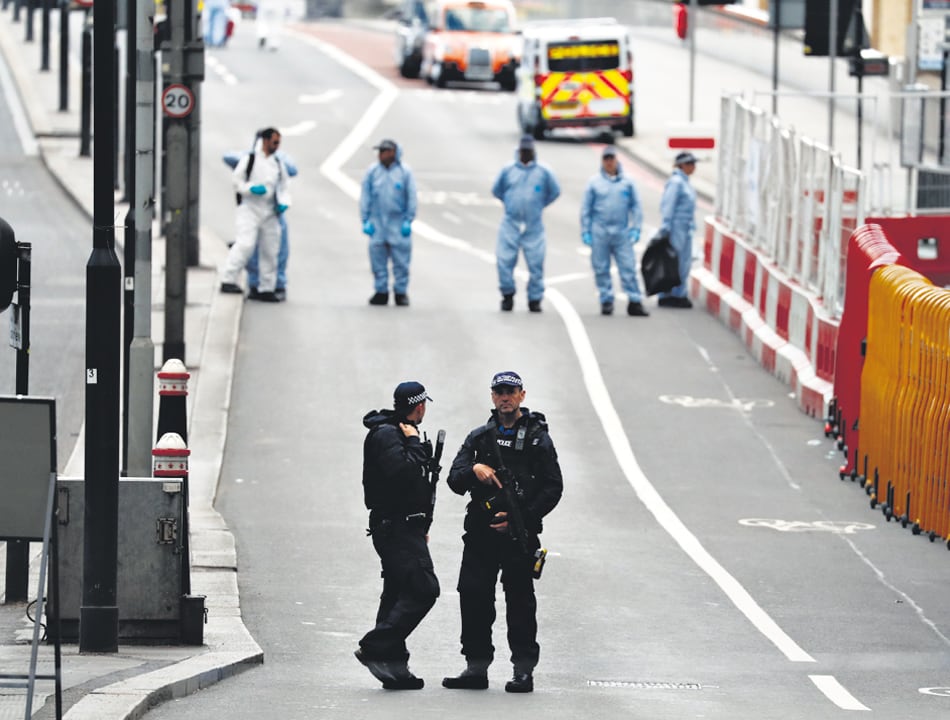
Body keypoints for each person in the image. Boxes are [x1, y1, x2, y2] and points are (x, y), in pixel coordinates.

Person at [443, 371, 563, 693]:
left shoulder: (538, 439)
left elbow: (553, 487)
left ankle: (523, 670)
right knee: (473, 595)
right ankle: (476, 667)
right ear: (492, 396)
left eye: (510, 392)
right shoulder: (480, 437)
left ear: (522, 395)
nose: (505, 397)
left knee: (520, 602)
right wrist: (474, 470)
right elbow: (454, 480)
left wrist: (520, 518)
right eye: (499, 392)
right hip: (481, 535)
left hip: (517, 535)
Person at [355, 381, 440, 690]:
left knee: (396, 593)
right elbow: (403, 474)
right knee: (424, 588)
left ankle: (394, 665)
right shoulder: (390, 435)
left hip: (405, 525)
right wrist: (416, 445)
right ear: (419, 406)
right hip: (395, 526)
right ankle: (376, 646)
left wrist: (422, 524)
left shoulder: (398, 432)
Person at [219, 128, 291, 302]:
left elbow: (284, 187)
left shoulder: (278, 163)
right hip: (250, 208)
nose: (277, 146)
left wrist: (283, 203)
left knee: (271, 249)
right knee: (245, 244)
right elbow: (237, 182)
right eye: (274, 142)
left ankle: (266, 287)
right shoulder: (249, 159)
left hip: (270, 211)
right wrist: (250, 189)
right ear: (265, 141)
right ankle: (228, 278)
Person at [491, 135, 560, 313]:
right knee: (503, 260)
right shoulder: (508, 170)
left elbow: (554, 192)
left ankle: (535, 299)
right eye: (524, 151)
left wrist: (538, 206)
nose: (526, 155)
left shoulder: (543, 172)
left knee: (536, 263)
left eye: (529, 151)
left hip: (533, 225)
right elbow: (497, 190)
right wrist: (510, 204)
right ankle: (507, 294)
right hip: (511, 222)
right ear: (519, 152)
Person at [580, 145, 648, 317]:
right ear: (602, 162)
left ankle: (634, 300)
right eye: (606, 159)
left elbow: (636, 207)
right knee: (601, 268)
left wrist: (636, 228)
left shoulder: (627, 183)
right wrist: (585, 231)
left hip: (621, 232)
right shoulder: (594, 183)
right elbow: (586, 209)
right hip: (600, 231)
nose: (609, 162)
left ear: (617, 160)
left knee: (628, 267)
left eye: (612, 159)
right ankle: (606, 300)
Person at [360, 139, 418, 307]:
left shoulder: (404, 173)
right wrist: (365, 220)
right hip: (378, 223)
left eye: (384, 151)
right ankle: (381, 291)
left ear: (393, 153)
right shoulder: (372, 172)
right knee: (377, 260)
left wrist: (408, 219)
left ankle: (400, 292)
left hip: (397, 223)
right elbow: (366, 197)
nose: (380, 155)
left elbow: (411, 197)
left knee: (401, 261)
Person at [657, 151, 698, 309]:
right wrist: (666, 226)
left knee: (683, 262)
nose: (693, 167)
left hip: (685, 228)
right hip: (676, 228)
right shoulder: (676, 182)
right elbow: (668, 205)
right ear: (682, 165)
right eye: (690, 164)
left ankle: (677, 293)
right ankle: (670, 294)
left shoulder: (685, 182)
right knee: (674, 262)